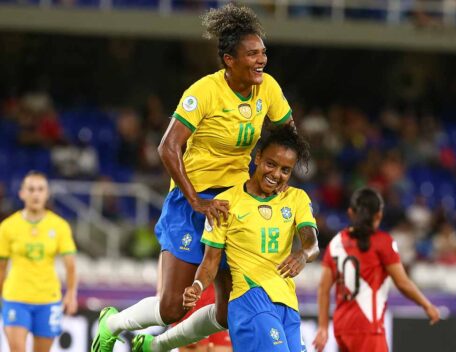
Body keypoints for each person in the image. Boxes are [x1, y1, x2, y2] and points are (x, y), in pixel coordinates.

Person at [91, 4, 295, 351]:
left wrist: (274, 173)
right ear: (229, 60)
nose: (261, 60)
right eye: (252, 54)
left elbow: (288, 136)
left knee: (230, 312)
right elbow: (168, 147)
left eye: (263, 52)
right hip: (194, 202)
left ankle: (154, 347)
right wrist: (195, 199)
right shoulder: (203, 92)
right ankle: (112, 322)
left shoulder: (268, 89)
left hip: (233, 205)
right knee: (172, 307)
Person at [134, 125, 319, 351]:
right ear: (258, 158)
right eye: (271, 164)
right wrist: (198, 285)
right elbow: (211, 260)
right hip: (249, 301)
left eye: (285, 170)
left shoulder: (296, 198)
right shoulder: (225, 203)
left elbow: (311, 241)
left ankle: (154, 347)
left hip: (287, 304)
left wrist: (303, 254)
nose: (276, 174)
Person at [312, 187, 440, 352]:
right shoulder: (382, 242)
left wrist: (323, 327)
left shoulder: (336, 243)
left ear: (351, 213)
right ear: (379, 215)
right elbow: (402, 283)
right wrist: (426, 305)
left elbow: (323, 288)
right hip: (368, 328)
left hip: (341, 328)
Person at [0, 171, 78, 352]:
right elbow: (1, 268)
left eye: (40, 189)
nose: (36, 194)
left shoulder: (59, 226)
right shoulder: (7, 227)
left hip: (48, 300)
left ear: (47, 194)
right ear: (22, 193)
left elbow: (71, 265)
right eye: (31, 189)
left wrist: (71, 294)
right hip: (15, 298)